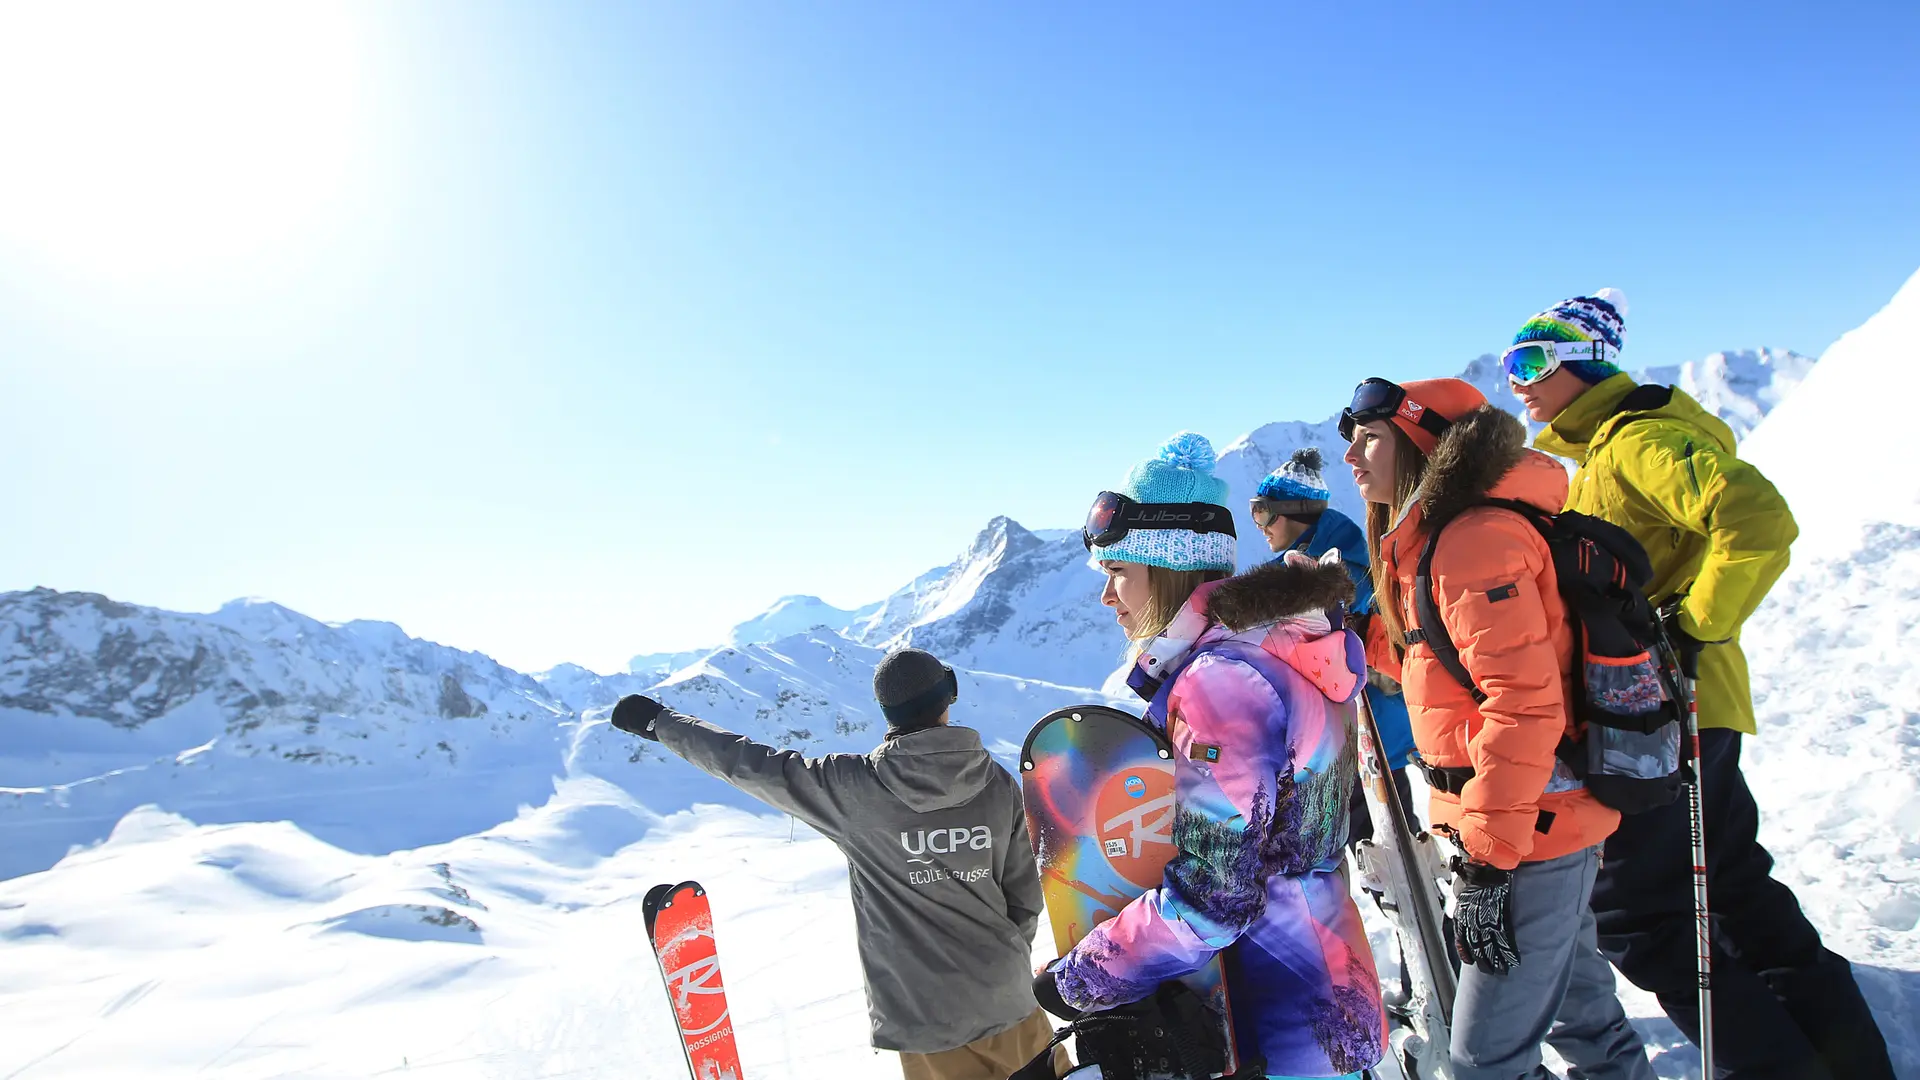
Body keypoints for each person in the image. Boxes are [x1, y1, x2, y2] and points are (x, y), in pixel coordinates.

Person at [1507, 290, 1894, 1080]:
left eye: (1533, 361)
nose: (1518, 382)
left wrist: (1692, 627)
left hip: (1666, 709)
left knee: (1642, 918)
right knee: (1736, 895)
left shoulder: (1636, 442)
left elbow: (1756, 518)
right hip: (1686, 705)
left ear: (1585, 360)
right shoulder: (1611, 448)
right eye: (1511, 364)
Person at [1032, 432, 1383, 1080]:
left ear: (1165, 569)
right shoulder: (1273, 652)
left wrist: (1083, 975)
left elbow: (1216, 900)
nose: (1108, 597)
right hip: (1322, 992)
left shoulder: (1220, 684)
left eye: (1117, 573)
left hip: (1275, 1026)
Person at [1341, 377, 1656, 1080]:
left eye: (1370, 439)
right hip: (1536, 825)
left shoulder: (1473, 541)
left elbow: (1522, 705)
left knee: (1484, 1062)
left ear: (1424, 443)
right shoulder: (1446, 538)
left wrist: (1488, 861)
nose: (1352, 458)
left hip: (1526, 834)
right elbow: (1438, 658)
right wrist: (1356, 632)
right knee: (1592, 1033)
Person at [608, 648, 1066, 1080]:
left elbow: (748, 763)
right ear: (948, 696)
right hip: (1010, 1001)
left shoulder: (852, 790)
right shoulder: (996, 782)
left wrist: (660, 723)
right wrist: (1005, 961)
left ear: (888, 711)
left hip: (928, 1020)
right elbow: (1024, 893)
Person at [1252, 447, 1418, 838]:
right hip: (1356, 739)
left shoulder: (1338, 571)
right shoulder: (1336, 562)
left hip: (1363, 739)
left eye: (1264, 512)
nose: (1260, 525)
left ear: (1295, 512)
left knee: (1379, 851)